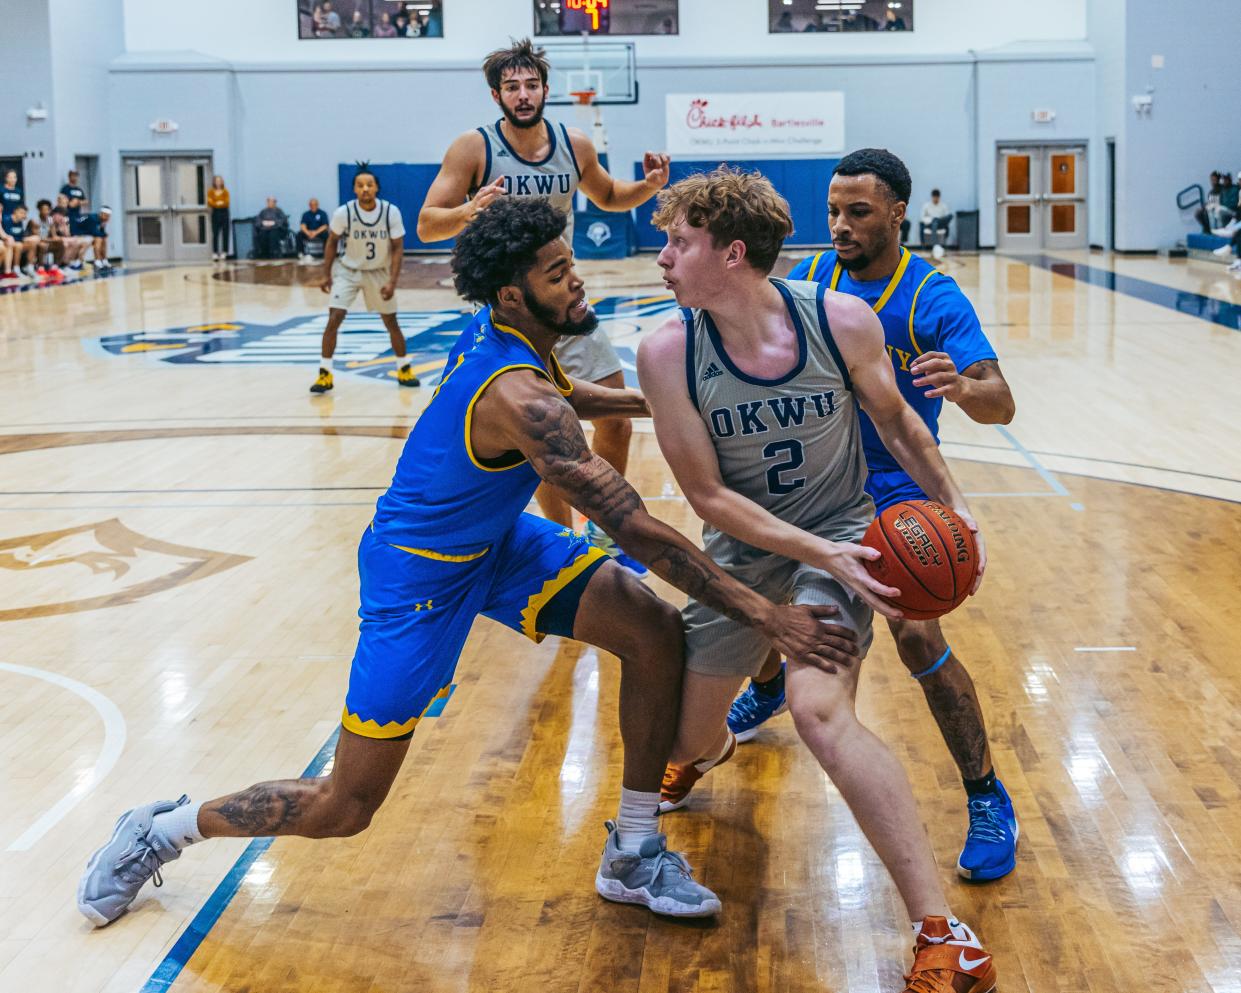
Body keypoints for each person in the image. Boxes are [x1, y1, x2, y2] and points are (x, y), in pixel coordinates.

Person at [77, 196, 858, 929]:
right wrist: (763, 614)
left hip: (493, 541)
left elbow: (563, 391)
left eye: (567, 261)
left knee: (652, 627)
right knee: (347, 804)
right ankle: (166, 828)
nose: (575, 275)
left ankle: (632, 848)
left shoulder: (514, 341)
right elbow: (640, 530)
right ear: (514, 296)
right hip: (417, 576)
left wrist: (652, 401)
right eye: (557, 272)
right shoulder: (521, 398)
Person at [638, 167, 998, 993]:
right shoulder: (666, 351)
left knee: (818, 710)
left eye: (678, 241)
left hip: (841, 533)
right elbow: (707, 496)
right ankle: (714, 746)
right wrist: (805, 559)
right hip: (740, 552)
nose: (662, 258)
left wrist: (955, 503)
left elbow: (899, 421)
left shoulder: (840, 320)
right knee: (686, 742)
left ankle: (942, 932)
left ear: (732, 253)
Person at [717, 149, 1019, 886]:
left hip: (895, 488)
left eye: (857, 212)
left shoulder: (930, 297)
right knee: (771, 595)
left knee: (916, 636)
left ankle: (985, 792)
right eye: (832, 211)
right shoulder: (813, 278)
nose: (841, 225)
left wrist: (960, 388)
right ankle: (763, 687)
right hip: (815, 470)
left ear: (895, 214)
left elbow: (1000, 399)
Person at [418, 37, 672, 574]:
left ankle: (602, 534)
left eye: (531, 84)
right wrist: (469, 210)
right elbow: (426, 222)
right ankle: (562, 543)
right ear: (497, 95)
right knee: (538, 437)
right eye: (512, 86)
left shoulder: (573, 143)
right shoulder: (474, 148)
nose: (523, 93)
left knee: (616, 416)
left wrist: (647, 187)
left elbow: (607, 196)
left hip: (562, 300)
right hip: (507, 310)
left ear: (545, 90)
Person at [312, 164, 417, 393]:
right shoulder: (344, 213)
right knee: (334, 317)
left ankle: (404, 368)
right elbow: (331, 242)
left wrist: (392, 281)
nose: (365, 189)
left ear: (377, 187)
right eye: (360, 185)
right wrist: (326, 274)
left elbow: (398, 248)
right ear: (354, 189)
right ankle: (324, 373)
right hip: (348, 271)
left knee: (391, 322)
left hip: (379, 271)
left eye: (369, 184)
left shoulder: (390, 212)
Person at [32, 198, 79, 279]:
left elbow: (54, 236)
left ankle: (55, 268)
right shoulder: (34, 221)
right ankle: (40, 268)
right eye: (44, 209)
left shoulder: (50, 221)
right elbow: (38, 238)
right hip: (35, 244)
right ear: (39, 210)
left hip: (46, 242)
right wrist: (53, 239)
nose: (46, 212)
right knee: (43, 244)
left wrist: (59, 238)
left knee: (60, 244)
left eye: (48, 209)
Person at [2, 205, 41, 279]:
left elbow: (21, 237)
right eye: (22, 213)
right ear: (15, 211)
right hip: (8, 244)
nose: (24, 215)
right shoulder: (6, 220)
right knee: (19, 245)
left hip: (17, 242)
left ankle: (29, 267)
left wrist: (29, 239)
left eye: (25, 213)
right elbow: (8, 237)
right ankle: (16, 269)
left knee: (33, 243)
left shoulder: (20, 222)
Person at [920, 188, 954, 260]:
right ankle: (935, 245)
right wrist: (931, 220)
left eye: (937, 197)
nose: (936, 199)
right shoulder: (927, 206)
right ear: (932, 197)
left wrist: (939, 220)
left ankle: (937, 245)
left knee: (950, 216)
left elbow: (946, 217)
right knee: (934, 221)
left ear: (939, 197)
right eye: (934, 197)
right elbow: (922, 218)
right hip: (930, 223)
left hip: (940, 223)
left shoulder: (943, 206)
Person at [80, 206, 113, 271]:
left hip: (88, 233)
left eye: (109, 216)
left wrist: (104, 234)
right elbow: (95, 233)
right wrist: (104, 234)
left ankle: (104, 260)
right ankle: (97, 261)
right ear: (101, 213)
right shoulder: (92, 218)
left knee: (103, 239)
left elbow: (101, 232)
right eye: (106, 216)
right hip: (80, 233)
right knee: (98, 239)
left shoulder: (102, 220)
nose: (108, 218)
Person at [298, 198, 330, 262]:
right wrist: (307, 232)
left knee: (326, 235)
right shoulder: (306, 214)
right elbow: (302, 225)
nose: (313, 206)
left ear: (317, 205)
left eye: (315, 204)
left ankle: (326, 253)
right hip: (309, 232)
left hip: (319, 232)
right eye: (311, 205)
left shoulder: (322, 213)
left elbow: (325, 226)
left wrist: (315, 232)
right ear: (309, 205)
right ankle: (301, 253)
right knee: (299, 235)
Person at [207, 175, 230, 261]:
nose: (218, 182)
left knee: (225, 233)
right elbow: (210, 202)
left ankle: (224, 252)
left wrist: (217, 203)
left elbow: (226, 203)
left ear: (222, 182)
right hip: (215, 214)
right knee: (215, 234)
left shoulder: (225, 192)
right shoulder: (210, 192)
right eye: (217, 181)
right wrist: (219, 203)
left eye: (220, 180)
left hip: (224, 214)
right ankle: (215, 253)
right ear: (214, 182)